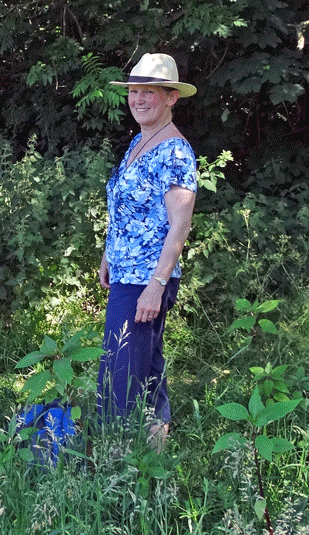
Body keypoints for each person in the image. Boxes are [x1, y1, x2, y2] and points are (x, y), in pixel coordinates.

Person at [97, 53, 198, 446]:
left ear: (171, 97)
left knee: (120, 372)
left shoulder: (174, 152)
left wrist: (156, 284)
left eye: (148, 93)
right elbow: (128, 210)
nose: (138, 99)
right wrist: (110, 252)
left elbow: (180, 224)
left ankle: (113, 458)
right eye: (134, 92)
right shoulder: (141, 140)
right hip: (126, 271)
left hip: (145, 281)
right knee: (148, 365)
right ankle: (157, 451)